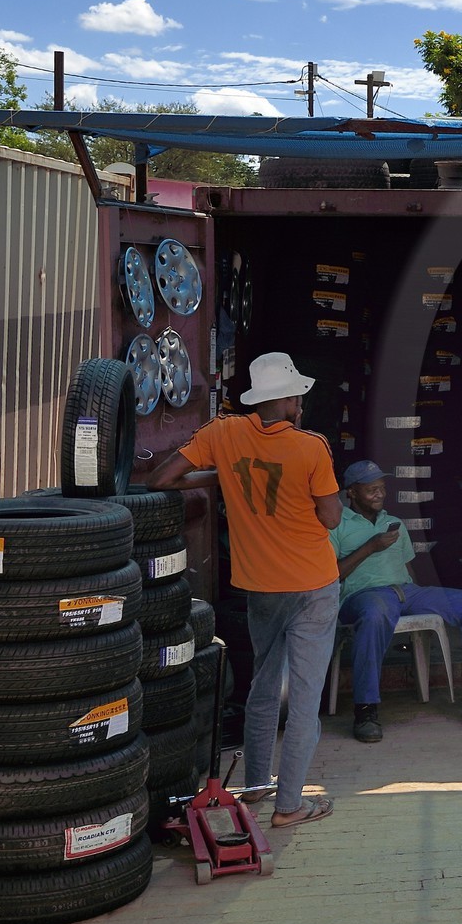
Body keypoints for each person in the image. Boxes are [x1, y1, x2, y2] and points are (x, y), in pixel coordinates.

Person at [148, 352, 340, 829]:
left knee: (261, 686)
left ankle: (256, 785)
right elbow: (332, 517)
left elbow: (162, 478)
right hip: (313, 584)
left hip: (260, 587)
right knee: (305, 698)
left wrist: (228, 477)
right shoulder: (312, 447)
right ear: (293, 398)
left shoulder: (223, 433)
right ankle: (290, 806)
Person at [331, 460, 462, 741]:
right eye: (371, 489)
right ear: (351, 492)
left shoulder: (392, 524)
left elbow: (408, 568)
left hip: (407, 592)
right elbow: (333, 574)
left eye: (382, 488)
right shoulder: (336, 525)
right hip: (363, 596)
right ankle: (365, 709)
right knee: (375, 613)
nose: (380, 494)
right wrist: (371, 546)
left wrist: (421, 602)